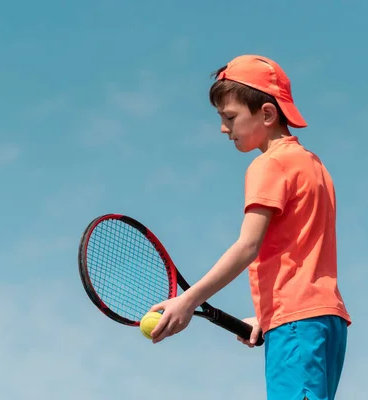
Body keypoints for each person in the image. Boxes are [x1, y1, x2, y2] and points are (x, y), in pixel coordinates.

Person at [149, 54, 352, 400]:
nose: (223, 128)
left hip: (297, 326)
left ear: (267, 114)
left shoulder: (268, 165)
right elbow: (299, 252)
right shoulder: (313, 166)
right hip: (324, 323)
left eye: (230, 117)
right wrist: (268, 316)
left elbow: (248, 246)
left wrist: (187, 301)